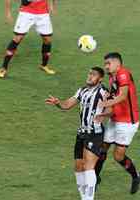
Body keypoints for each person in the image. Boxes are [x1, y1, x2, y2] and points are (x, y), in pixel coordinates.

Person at [45, 67, 111, 200]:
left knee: (88, 166)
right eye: (89, 74)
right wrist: (58, 103)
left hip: (95, 133)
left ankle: (89, 198)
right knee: (78, 167)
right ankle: (84, 197)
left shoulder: (103, 91)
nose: (90, 76)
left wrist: (104, 114)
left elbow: (111, 106)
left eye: (93, 75)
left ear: (100, 79)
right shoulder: (82, 91)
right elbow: (67, 105)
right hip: (81, 133)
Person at [94, 52, 140, 194]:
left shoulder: (123, 74)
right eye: (105, 64)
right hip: (115, 119)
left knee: (118, 156)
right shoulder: (112, 77)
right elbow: (113, 96)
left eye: (108, 63)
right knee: (102, 148)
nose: (106, 66)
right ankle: (95, 178)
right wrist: (104, 113)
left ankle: (136, 176)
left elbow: (122, 96)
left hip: (127, 122)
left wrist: (104, 103)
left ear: (117, 63)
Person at [0, 0, 57, 78]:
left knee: (47, 40)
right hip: (26, 13)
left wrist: (53, 6)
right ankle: (4, 68)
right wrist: (8, 13)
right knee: (17, 38)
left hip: (43, 14)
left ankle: (44, 65)